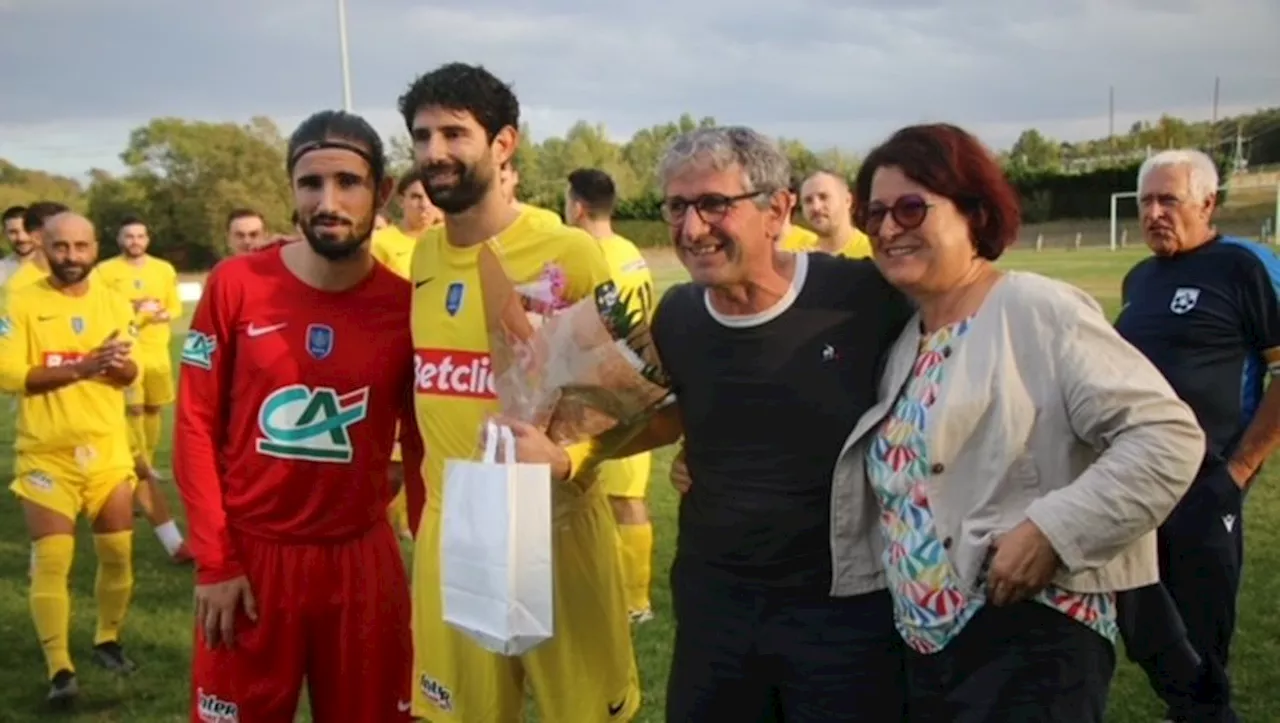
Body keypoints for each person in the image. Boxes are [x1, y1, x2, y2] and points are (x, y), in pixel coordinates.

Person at [512, 125, 914, 722]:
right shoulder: (678, 316)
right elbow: (667, 415)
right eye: (677, 207)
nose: (692, 228)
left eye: (713, 205)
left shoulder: (859, 297)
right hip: (715, 606)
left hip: (840, 612)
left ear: (777, 210)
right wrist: (573, 456)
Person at [820, 123, 1204, 722]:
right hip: (928, 652)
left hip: (1029, 644)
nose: (888, 228)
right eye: (874, 215)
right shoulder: (908, 342)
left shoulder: (1034, 308)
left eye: (911, 208)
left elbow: (1167, 437)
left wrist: (1051, 532)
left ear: (973, 213)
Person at [399, 62, 639, 723]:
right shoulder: (420, 259)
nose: (434, 153)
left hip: (558, 528)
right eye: (422, 137)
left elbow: (627, 403)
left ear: (504, 143)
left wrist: (569, 458)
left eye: (454, 133)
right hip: (455, 532)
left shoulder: (569, 253)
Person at [173, 110, 421, 723]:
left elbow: (423, 447)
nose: (328, 201)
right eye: (310, 184)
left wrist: (442, 562)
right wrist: (216, 560)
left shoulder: (404, 306)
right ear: (291, 192)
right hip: (253, 560)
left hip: (362, 561)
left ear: (382, 192)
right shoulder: (234, 286)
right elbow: (194, 425)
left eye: (348, 182)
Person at [1115, 148, 1280, 723]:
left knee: (1202, 641)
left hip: (1206, 484)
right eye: (1146, 201)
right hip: (1136, 478)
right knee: (1141, 615)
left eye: (1170, 200)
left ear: (1207, 203)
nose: (1154, 212)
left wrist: (1236, 474)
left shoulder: (1244, 267)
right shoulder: (1140, 278)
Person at [0, 211, 142, 705]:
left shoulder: (112, 300)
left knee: (118, 552)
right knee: (54, 558)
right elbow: (8, 374)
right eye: (61, 247)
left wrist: (117, 366)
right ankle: (60, 668)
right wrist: (83, 366)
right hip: (46, 454)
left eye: (82, 247)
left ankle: (108, 639)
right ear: (43, 245)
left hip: (106, 450)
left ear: (95, 246)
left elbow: (129, 376)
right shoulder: (20, 299)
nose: (72, 258)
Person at [564, 166, 658, 623]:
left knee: (620, 501)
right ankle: (617, 595)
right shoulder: (628, 250)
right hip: (636, 384)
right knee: (619, 497)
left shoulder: (594, 256)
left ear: (577, 207)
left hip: (608, 393)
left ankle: (636, 602)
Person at [95, 216, 193, 563]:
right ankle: (141, 467)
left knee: (154, 408)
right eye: (128, 235)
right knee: (133, 409)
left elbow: (176, 306)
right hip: (127, 349)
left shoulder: (163, 270)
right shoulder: (105, 271)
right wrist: (135, 310)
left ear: (147, 239)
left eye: (140, 235)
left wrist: (163, 313)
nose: (135, 240)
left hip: (157, 351)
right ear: (118, 238)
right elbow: (103, 310)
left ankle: (146, 467)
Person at [370, 171, 442, 538]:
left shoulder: (447, 242)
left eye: (429, 197)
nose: (424, 204)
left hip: (433, 365)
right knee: (392, 467)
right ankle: (372, 526)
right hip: (394, 360)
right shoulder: (384, 243)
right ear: (401, 201)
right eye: (415, 196)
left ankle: (419, 527)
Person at [790, 170, 873, 258]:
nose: (816, 207)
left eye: (823, 197)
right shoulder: (799, 257)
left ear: (848, 200)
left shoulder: (873, 254)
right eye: (808, 200)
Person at [499, 161, 562, 229]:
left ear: (515, 177)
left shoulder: (545, 220)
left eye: (502, 181)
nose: (496, 189)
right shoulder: (486, 227)